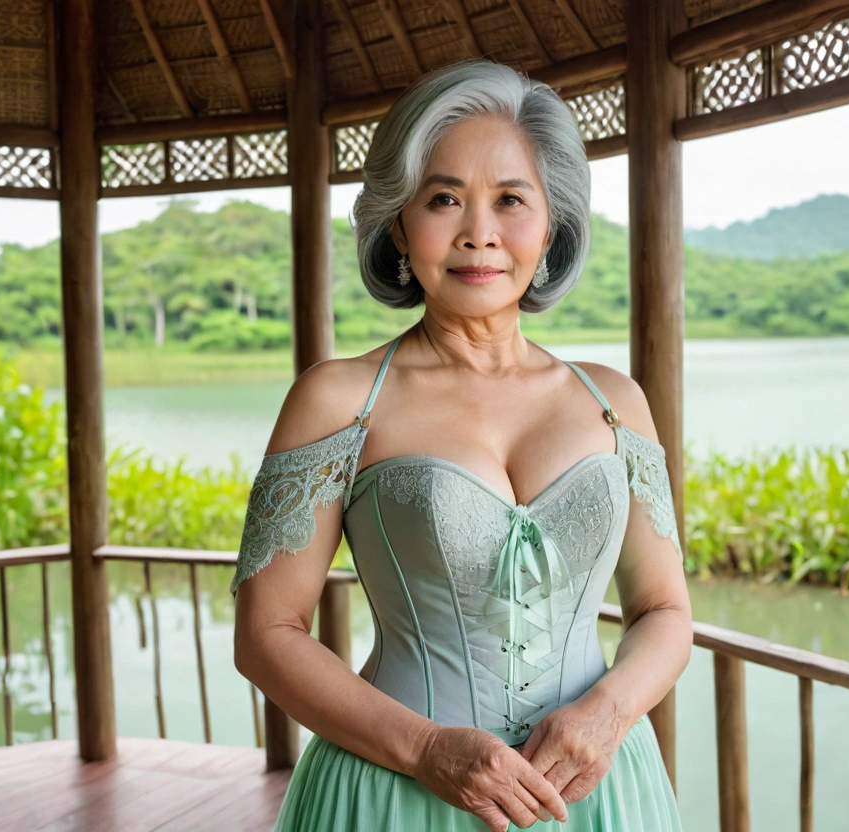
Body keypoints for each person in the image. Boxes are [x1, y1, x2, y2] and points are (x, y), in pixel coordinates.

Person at [231, 57, 692, 832]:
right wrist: (425, 749)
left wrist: (607, 712)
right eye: (444, 198)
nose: (479, 233)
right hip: (393, 792)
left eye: (511, 199)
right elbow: (266, 635)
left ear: (550, 226)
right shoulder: (339, 399)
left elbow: (665, 610)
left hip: (596, 794)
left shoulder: (614, 402)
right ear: (400, 226)